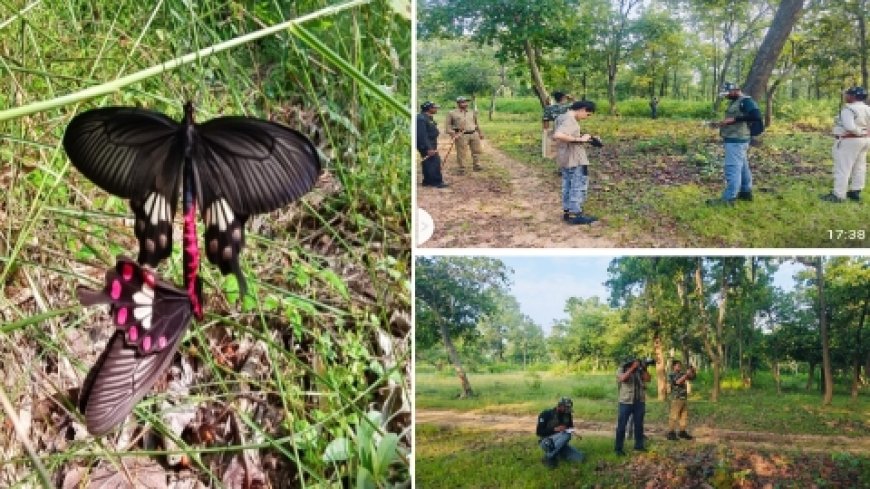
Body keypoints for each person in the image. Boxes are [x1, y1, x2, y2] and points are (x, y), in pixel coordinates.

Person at [707, 82, 762, 206]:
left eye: (727, 93)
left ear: (735, 90)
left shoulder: (746, 101)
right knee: (742, 166)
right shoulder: (736, 101)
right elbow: (737, 118)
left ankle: (729, 198)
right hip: (736, 138)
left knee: (732, 167)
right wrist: (723, 123)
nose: (726, 96)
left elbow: (756, 116)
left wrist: (735, 119)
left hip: (736, 140)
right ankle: (745, 192)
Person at [553, 100, 599, 225]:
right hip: (576, 159)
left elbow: (561, 135)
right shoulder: (570, 119)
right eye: (588, 114)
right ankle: (576, 214)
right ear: (583, 109)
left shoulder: (561, 117)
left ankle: (568, 212)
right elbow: (558, 135)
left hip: (565, 158)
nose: (586, 118)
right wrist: (579, 139)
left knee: (567, 185)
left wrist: (586, 139)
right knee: (578, 185)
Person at [821, 86, 870, 203]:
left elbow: (849, 127)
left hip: (849, 141)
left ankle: (838, 195)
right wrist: (864, 132)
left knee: (843, 168)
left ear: (853, 96)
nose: (845, 96)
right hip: (864, 141)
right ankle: (855, 191)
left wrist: (859, 132)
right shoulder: (867, 109)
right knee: (859, 166)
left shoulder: (849, 109)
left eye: (847, 94)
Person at [615, 359, 651, 456]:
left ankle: (639, 446)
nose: (637, 363)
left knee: (639, 426)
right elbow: (623, 379)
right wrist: (632, 368)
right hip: (625, 402)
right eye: (634, 362)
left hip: (639, 401)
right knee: (622, 426)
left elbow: (648, 379)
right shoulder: (621, 369)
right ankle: (618, 449)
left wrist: (644, 369)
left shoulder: (640, 370)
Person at [536, 397, 584, 468]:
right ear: (560, 406)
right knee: (567, 435)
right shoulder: (546, 414)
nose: (567, 411)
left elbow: (569, 428)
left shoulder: (568, 415)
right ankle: (548, 457)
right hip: (546, 442)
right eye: (566, 408)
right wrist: (555, 429)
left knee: (580, 458)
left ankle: (557, 453)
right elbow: (539, 432)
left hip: (560, 444)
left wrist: (574, 433)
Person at [446, 96, 484, 173]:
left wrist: (480, 132)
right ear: (458, 103)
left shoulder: (471, 112)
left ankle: (477, 165)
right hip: (461, 135)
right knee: (461, 152)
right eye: (463, 102)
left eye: (466, 102)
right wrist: (453, 134)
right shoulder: (452, 113)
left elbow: (476, 123)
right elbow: (448, 126)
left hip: (473, 133)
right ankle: (462, 168)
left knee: (476, 151)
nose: (465, 103)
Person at [415, 101, 448, 188]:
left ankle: (427, 181)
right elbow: (422, 135)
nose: (436, 109)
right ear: (429, 108)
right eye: (435, 107)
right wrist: (428, 148)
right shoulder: (421, 119)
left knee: (428, 162)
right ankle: (436, 182)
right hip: (426, 144)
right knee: (434, 162)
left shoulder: (427, 117)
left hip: (431, 143)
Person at [666, 360, 696, 441]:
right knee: (674, 416)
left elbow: (692, 378)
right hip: (676, 398)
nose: (679, 366)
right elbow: (677, 382)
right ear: (673, 366)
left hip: (683, 398)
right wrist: (687, 374)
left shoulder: (682, 373)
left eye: (680, 365)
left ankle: (682, 432)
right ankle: (670, 433)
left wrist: (693, 371)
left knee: (684, 417)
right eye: (677, 365)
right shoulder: (671, 374)